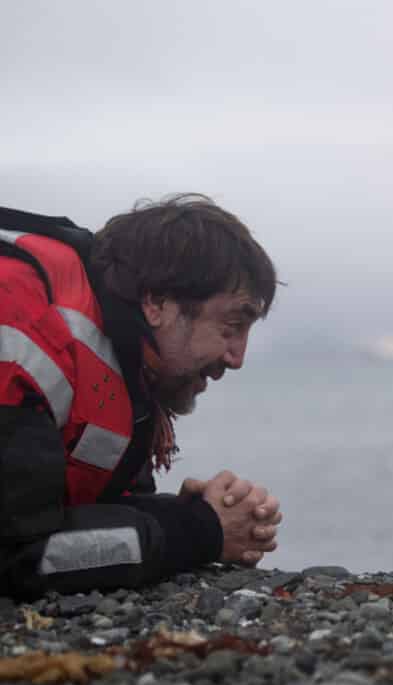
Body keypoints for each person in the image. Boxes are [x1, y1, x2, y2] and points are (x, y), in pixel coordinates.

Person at [0, 194, 283, 599]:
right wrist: (200, 531)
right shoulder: (19, 333)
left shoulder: (121, 362)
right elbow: (20, 557)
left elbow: (87, 509)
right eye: (232, 325)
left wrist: (188, 514)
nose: (237, 358)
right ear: (156, 302)